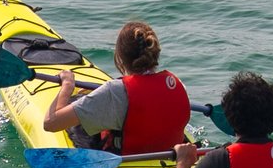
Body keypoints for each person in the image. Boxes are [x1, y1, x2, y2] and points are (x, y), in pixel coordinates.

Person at [48, 21, 197, 160]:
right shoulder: (177, 83)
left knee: (75, 110)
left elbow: (51, 123)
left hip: (126, 159)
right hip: (170, 156)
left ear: (119, 56)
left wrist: (67, 85)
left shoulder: (115, 91)